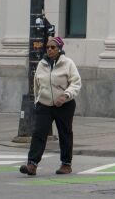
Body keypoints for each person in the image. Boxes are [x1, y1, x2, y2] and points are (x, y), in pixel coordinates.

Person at [19, 36, 81, 176]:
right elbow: (37, 83)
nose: (49, 50)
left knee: (65, 133)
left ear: (59, 49)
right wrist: (38, 100)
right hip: (44, 104)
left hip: (64, 104)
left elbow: (76, 83)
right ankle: (32, 164)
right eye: (47, 47)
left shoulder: (68, 63)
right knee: (39, 133)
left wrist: (66, 95)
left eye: (52, 47)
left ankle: (66, 164)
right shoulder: (42, 63)